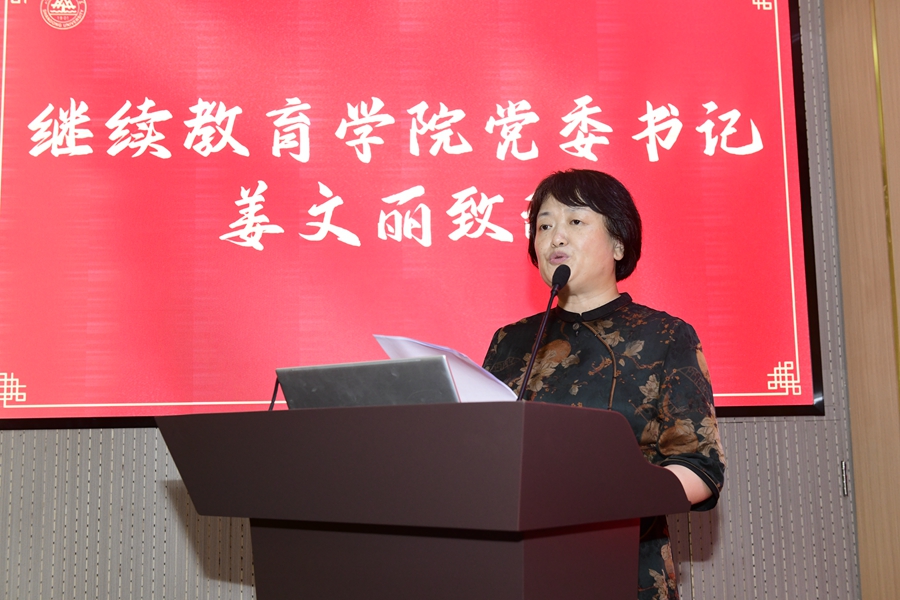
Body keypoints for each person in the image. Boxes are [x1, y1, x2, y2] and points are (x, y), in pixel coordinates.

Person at [482, 169, 725, 600]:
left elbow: (700, 467)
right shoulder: (512, 341)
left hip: (625, 570)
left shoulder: (664, 336)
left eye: (575, 221)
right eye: (543, 226)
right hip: (517, 572)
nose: (556, 237)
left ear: (618, 244)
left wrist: (617, 495)